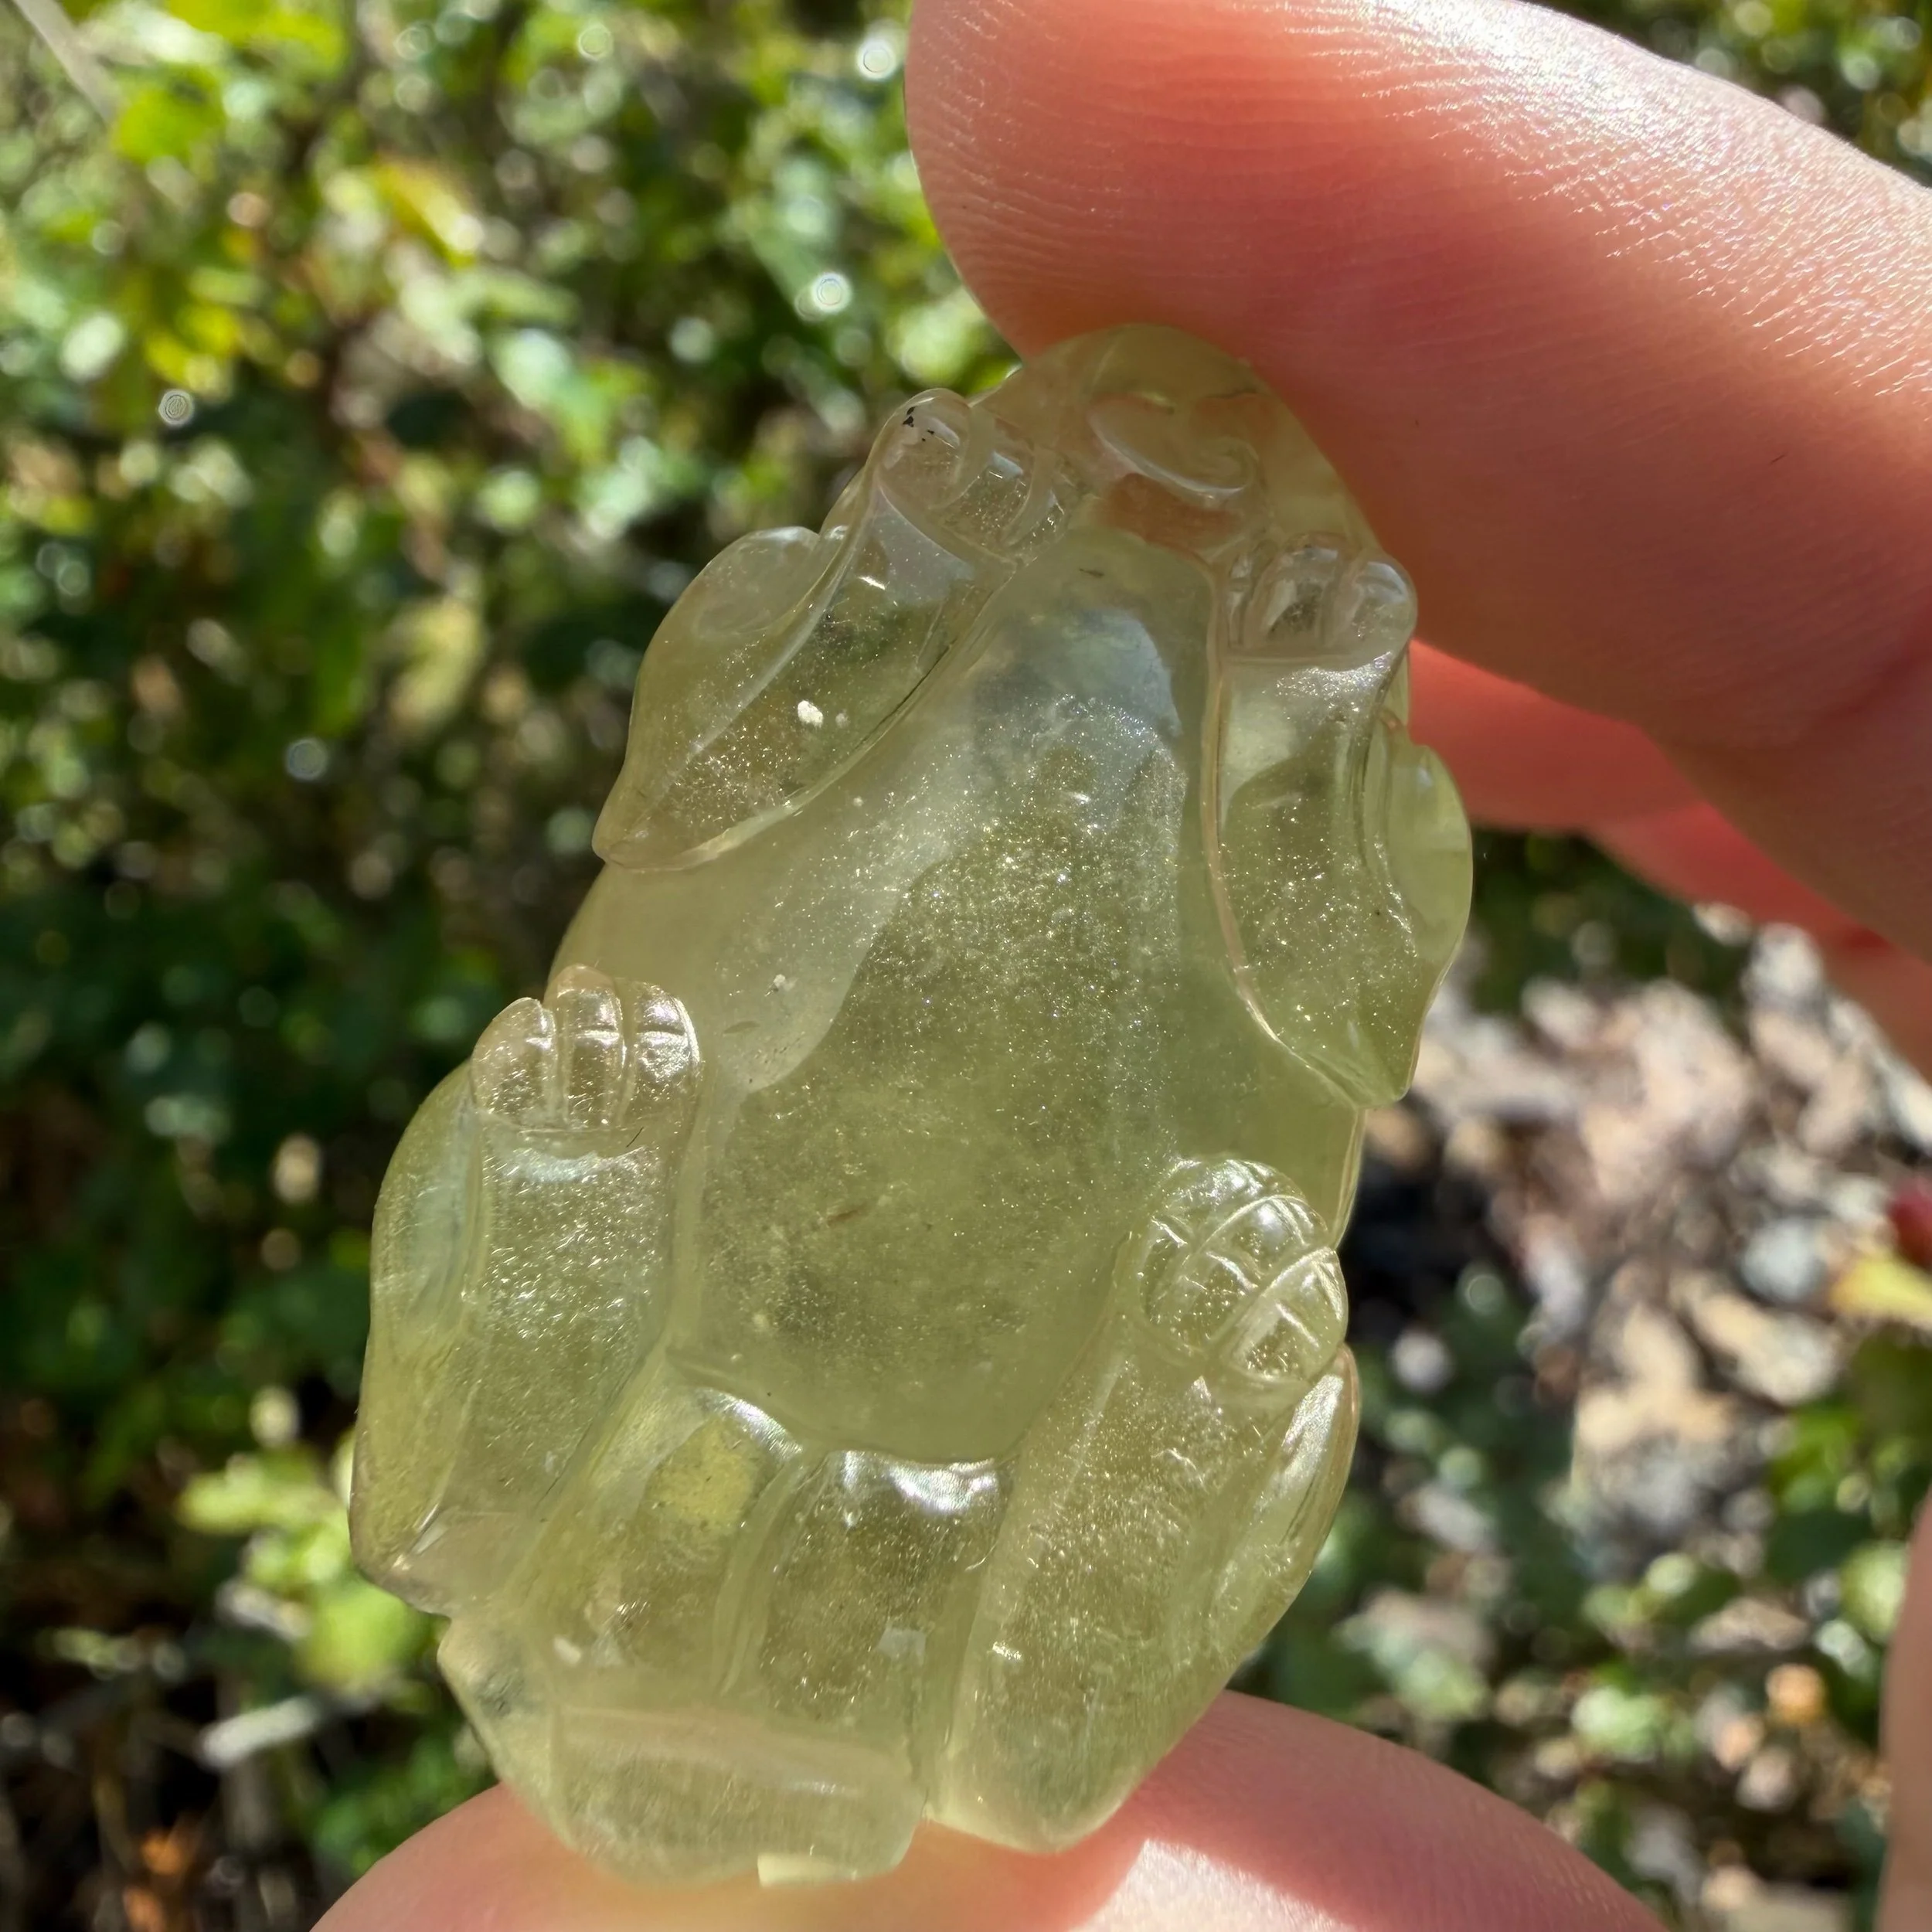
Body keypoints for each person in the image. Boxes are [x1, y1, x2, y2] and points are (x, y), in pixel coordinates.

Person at [319, 2, 1932, 1924]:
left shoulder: (1299, 724)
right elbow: (680, 808)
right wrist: (910, 568)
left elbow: (1339, 1009)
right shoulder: (870, 602)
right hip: (628, 1487)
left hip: (947, 1557)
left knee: (1011, 1701)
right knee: (467, 1475)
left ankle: (1129, 1447)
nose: (1175, 462)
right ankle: (799, 1335)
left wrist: (1298, 721)